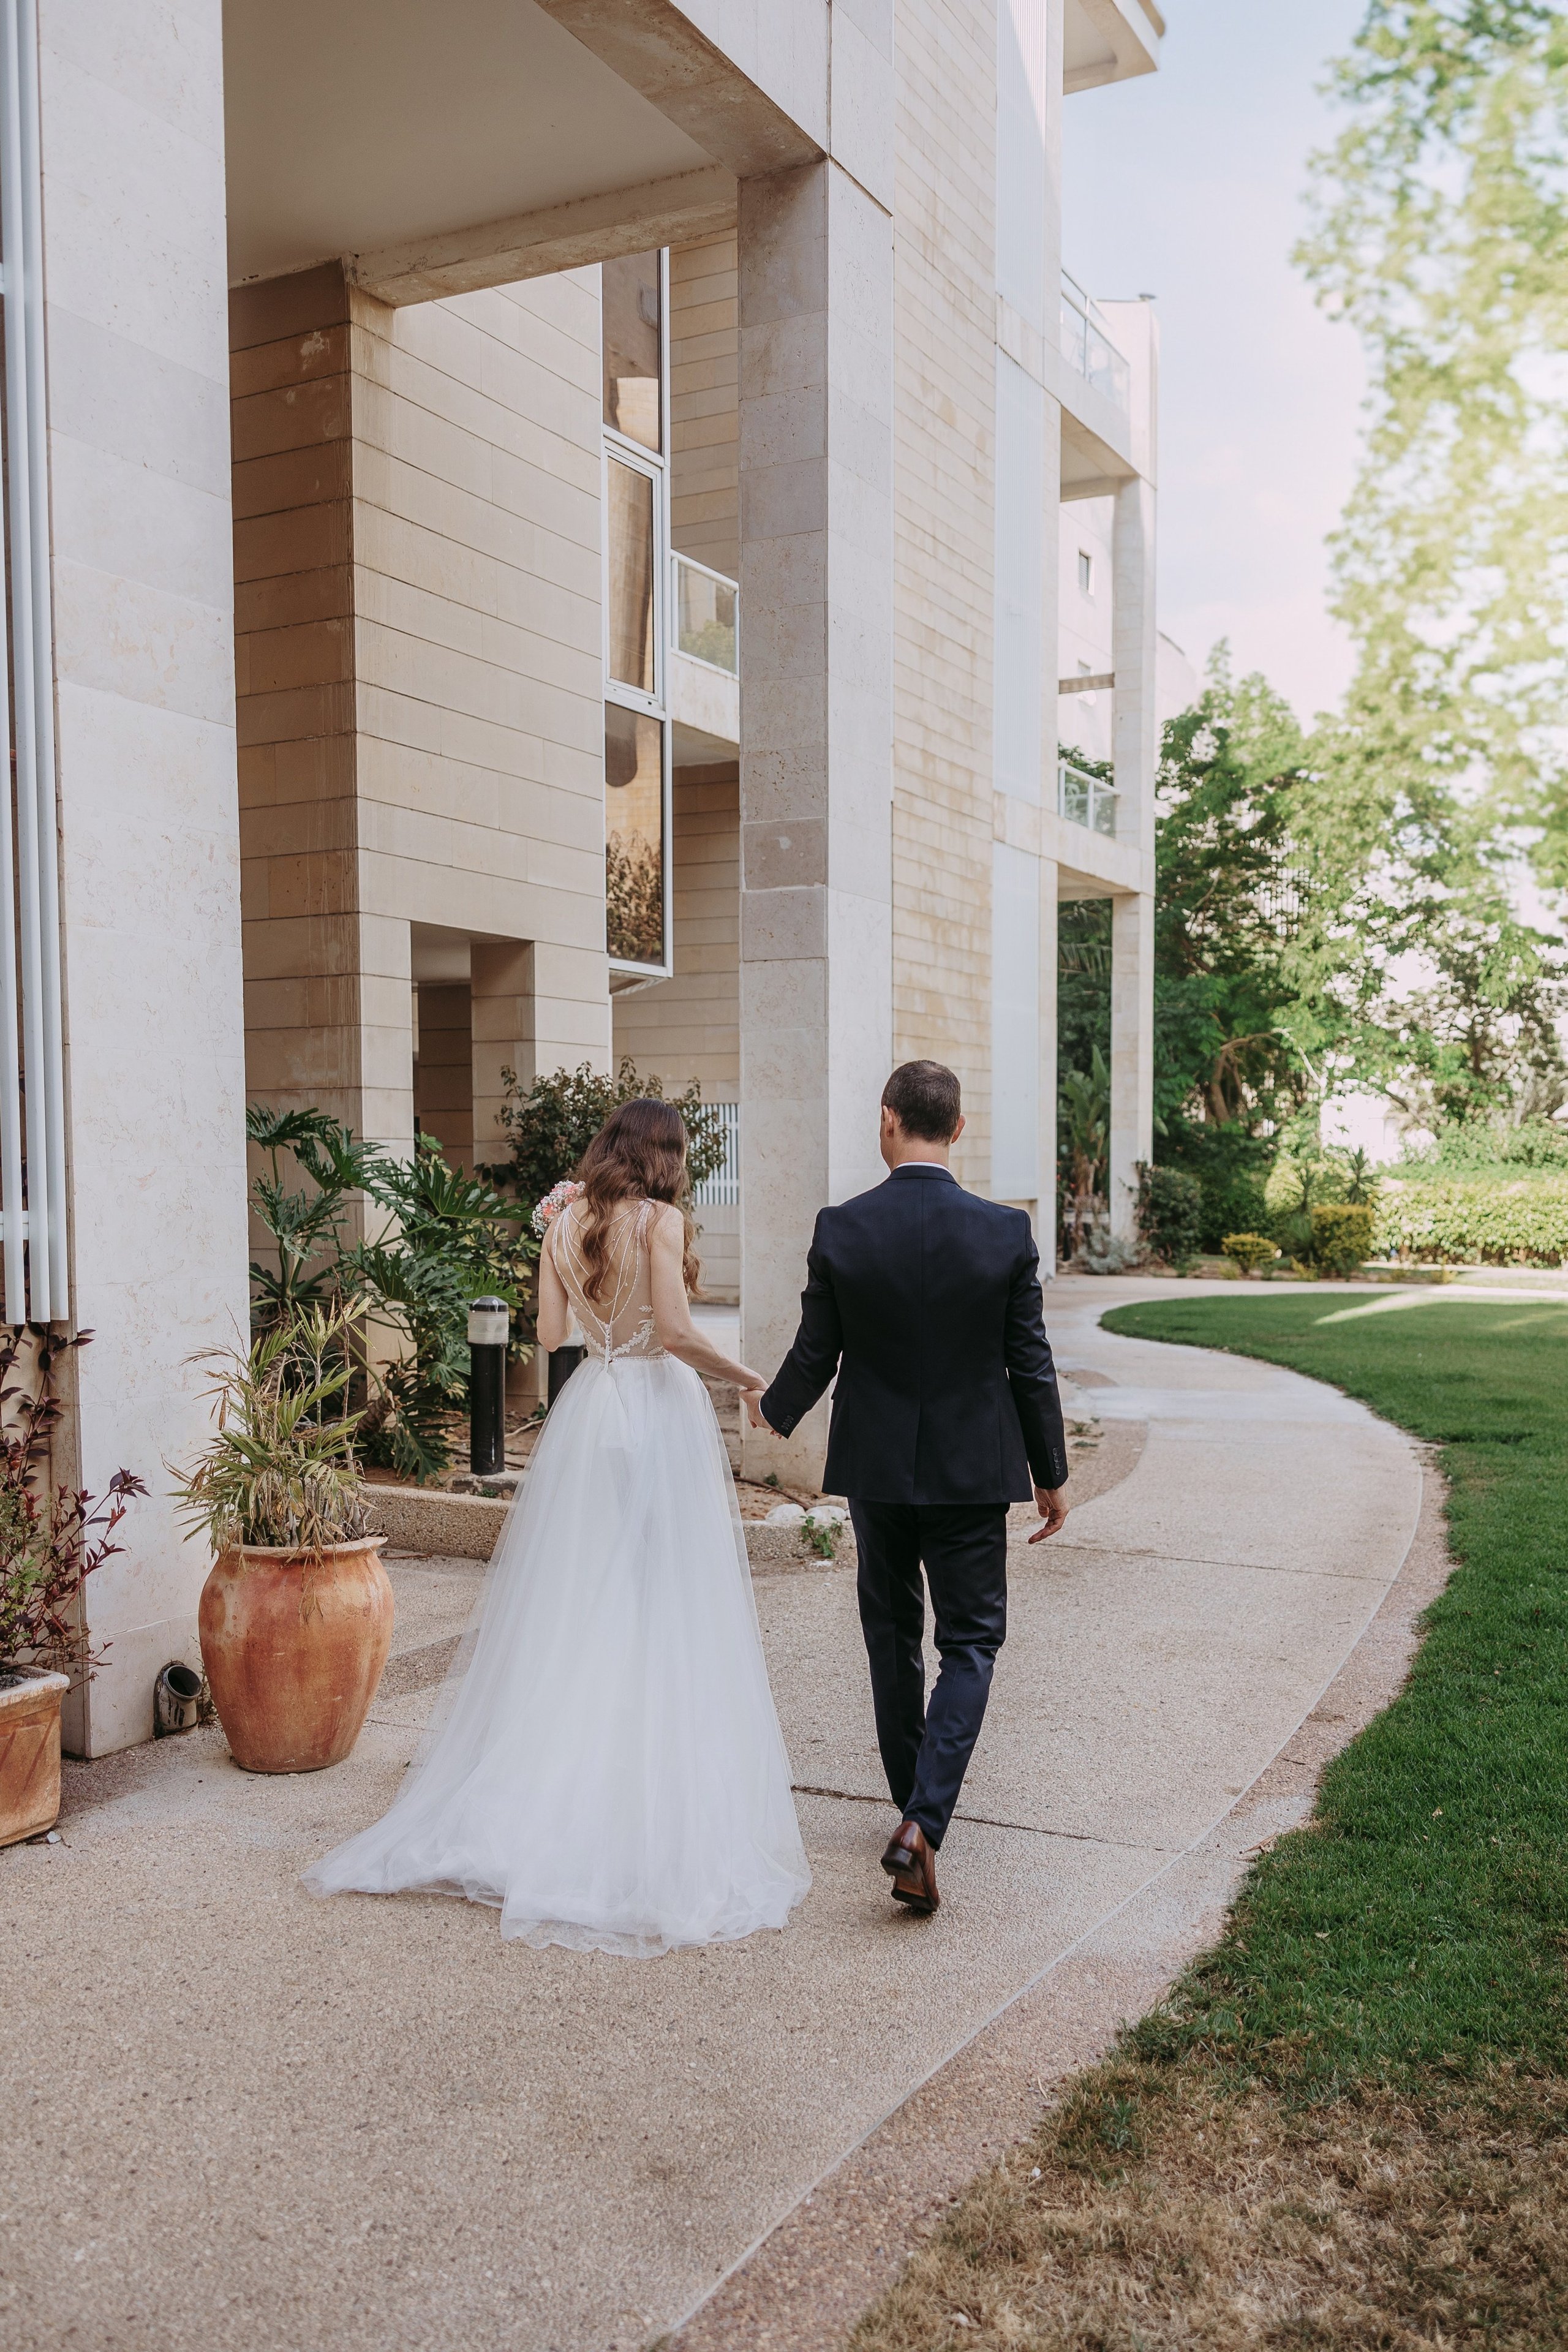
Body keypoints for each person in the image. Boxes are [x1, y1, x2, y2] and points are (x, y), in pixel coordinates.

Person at [304, 1099, 809, 1956]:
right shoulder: (659, 1218)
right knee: (663, 1594)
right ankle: (639, 1786)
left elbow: (546, 1335)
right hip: (656, 1409)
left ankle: (557, 1774)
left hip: (592, 1406)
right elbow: (679, 1334)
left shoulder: (563, 1218)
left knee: (589, 1593)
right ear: (665, 1156)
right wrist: (750, 1376)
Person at [748, 1060, 1069, 1917]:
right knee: (970, 1642)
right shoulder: (1006, 1233)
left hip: (878, 1469)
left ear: (887, 1121)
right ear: (958, 1129)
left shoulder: (843, 1227)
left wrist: (775, 1411)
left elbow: (818, 1350)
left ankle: (913, 1815)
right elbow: (1029, 1365)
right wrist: (1052, 1475)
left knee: (892, 1635)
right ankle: (922, 1824)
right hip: (972, 1473)